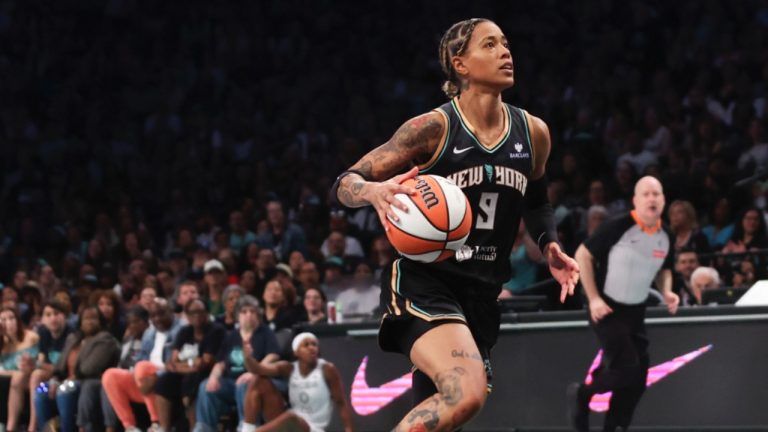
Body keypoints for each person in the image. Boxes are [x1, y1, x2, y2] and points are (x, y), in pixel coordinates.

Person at [331, 18, 579, 431]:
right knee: (465, 393)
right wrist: (371, 193)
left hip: (480, 293)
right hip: (427, 281)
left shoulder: (533, 133)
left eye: (506, 43)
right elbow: (344, 182)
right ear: (459, 64)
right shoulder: (433, 129)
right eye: (490, 45)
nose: (505, 52)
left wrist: (548, 244)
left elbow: (536, 200)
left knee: (447, 413)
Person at [570, 176, 680, 432]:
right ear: (636, 200)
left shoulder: (666, 236)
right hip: (607, 308)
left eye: (657, 194)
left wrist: (667, 291)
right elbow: (582, 255)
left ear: (663, 200)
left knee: (639, 378)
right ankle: (582, 394)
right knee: (627, 368)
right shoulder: (618, 226)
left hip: (635, 312)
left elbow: (665, 269)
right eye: (646, 194)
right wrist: (594, 298)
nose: (652, 198)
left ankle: (615, 426)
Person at [193, 296, 280, 432]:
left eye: (252, 312)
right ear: (237, 316)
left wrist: (254, 372)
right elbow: (221, 363)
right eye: (244, 312)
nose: (249, 315)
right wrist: (213, 377)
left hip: (255, 380)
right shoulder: (232, 336)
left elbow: (273, 355)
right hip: (230, 381)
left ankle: (246, 426)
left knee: (244, 384)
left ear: (258, 315)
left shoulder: (265, 332)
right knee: (205, 386)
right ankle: (204, 428)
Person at [240, 332, 353, 432]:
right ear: (296, 352)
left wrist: (349, 430)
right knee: (259, 380)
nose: (311, 348)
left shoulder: (327, 369)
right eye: (306, 345)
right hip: (289, 423)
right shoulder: (289, 368)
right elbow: (258, 369)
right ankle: (247, 429)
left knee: (291, 418)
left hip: (313, 428)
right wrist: (248, 358)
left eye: (314, 344)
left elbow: (341, 403)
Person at [35, 306, 120, 432]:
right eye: (86, 318)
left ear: (100, 321)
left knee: (65, 390)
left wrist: (66, 380)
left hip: (86, 382)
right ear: (80, 322)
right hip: (64, 381)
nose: (89, 322)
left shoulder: (105, 340)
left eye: (94, 318)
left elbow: (91, 368)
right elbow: (59, 366)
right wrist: (54, 379)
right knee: (41, 390)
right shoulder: (73, 339)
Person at [155, 299, 226, 432]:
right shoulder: (185, 331)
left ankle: (195, 428)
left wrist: (180, 366)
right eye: (192, 312)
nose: (197, 315)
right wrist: (189, 366)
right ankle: (164, 428)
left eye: (200, 311)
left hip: (209, 374)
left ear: (207, 313)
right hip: (185, 374)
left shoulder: (216, 330)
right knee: (163, 382)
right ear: (186, 315)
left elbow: (204, 363)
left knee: (193, 382)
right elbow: (171, 362)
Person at [0, 307, 40, 432]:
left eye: (11, 318)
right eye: (4, 319)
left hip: (32, 376)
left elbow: (40, 361)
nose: (9, 323)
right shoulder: (3, 344)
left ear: (17, 319)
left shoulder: (31, 337)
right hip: (11, 381)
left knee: (17, 378)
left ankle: (11, 428)